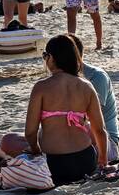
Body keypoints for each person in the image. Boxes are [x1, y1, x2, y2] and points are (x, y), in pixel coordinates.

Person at [25, 34, 107, 185]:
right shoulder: (86, 86)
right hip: (85, 161)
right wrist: (102, 160)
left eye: (45, 56)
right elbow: (100, 130)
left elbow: (30, 132)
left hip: (54, 164)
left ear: (51, 58)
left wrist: (36, 151)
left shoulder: (41, 87)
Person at [70, 33, 119, 162]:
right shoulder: (61, 79)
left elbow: (94, 122)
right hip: (76, 136)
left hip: (105, 140)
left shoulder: (96, 77)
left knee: (87, 124)